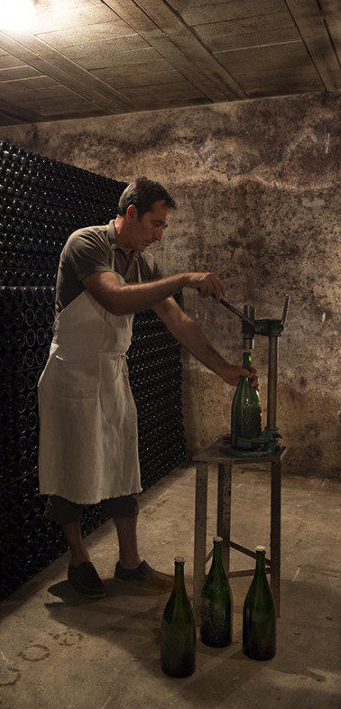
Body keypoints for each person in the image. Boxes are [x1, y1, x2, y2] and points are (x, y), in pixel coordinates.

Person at [37, 176, 257, 599]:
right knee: (70, 468)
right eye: (156, 224)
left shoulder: (142, 261)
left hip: (112, 374)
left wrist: (222, 369)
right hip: (72, 373)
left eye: (165, 228)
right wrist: (182, 278)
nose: (159, 235)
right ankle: (80, 560)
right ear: (131, 213)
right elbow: (115, 299)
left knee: (123, 467)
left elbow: (179, 322)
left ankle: (130, 564)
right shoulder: (86, 243)